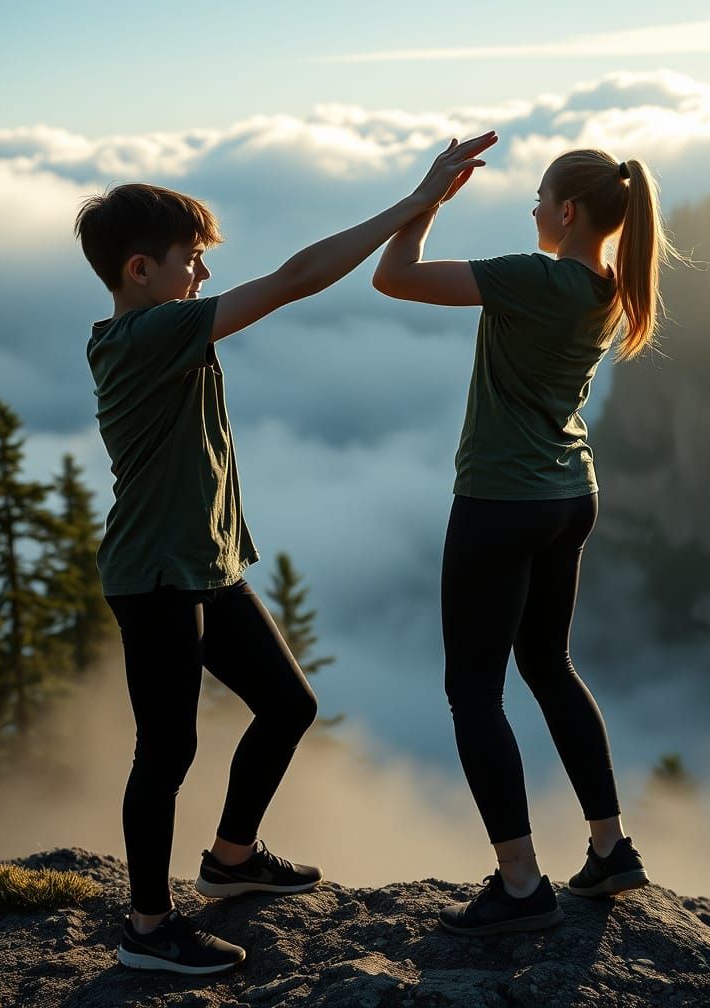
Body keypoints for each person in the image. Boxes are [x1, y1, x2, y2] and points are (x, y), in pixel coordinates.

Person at [74, 131, 498, 974]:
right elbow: (297, 278)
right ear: (140, 271)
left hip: (205, 566)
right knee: (167, 749)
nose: (204, 274)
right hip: (157, 576)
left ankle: (232, 858)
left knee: (288, 705)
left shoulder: (162, 327)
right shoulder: (143, 336)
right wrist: (414, 204)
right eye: (191, 260)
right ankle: (148, 930)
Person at [373, 146, 675, 937]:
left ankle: (519, 884)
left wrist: (429, 199)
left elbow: (393, 276)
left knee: (474, 693)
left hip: (501, 500)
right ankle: (610, 848)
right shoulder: (612, 286)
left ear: (568, 212)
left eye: (541, 198)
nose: (533, 210)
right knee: (549, 665)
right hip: (572, 494)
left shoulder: (535, 278)